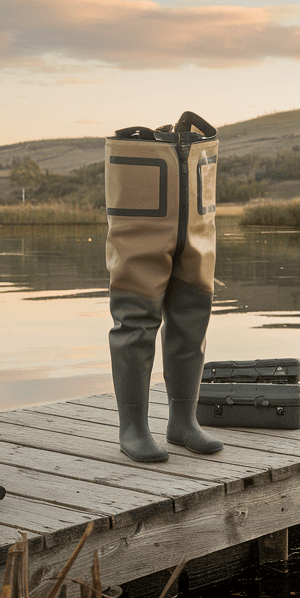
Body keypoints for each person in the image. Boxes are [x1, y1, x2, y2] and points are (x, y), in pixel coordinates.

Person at [104, 112, 223, 463]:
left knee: (192, 317)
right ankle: (133, 429)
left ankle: (183, 422)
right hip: (141, 235)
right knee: (136, 320)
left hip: (195, 230)